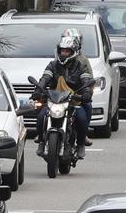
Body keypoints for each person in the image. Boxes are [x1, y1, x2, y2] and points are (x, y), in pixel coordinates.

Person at [33, 29, 93, 160]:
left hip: (73, 100)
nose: (64, 53)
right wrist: (39, 89)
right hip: (54, 99)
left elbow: (86, 80)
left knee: (82, 118)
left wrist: (86, 92)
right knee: (41, 116)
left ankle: (81, 144)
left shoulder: (81, 65)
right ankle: (42, 141)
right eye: (62, 50)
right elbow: (45, 78)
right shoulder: (53, 65)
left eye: (67, 51)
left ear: (73, 52)